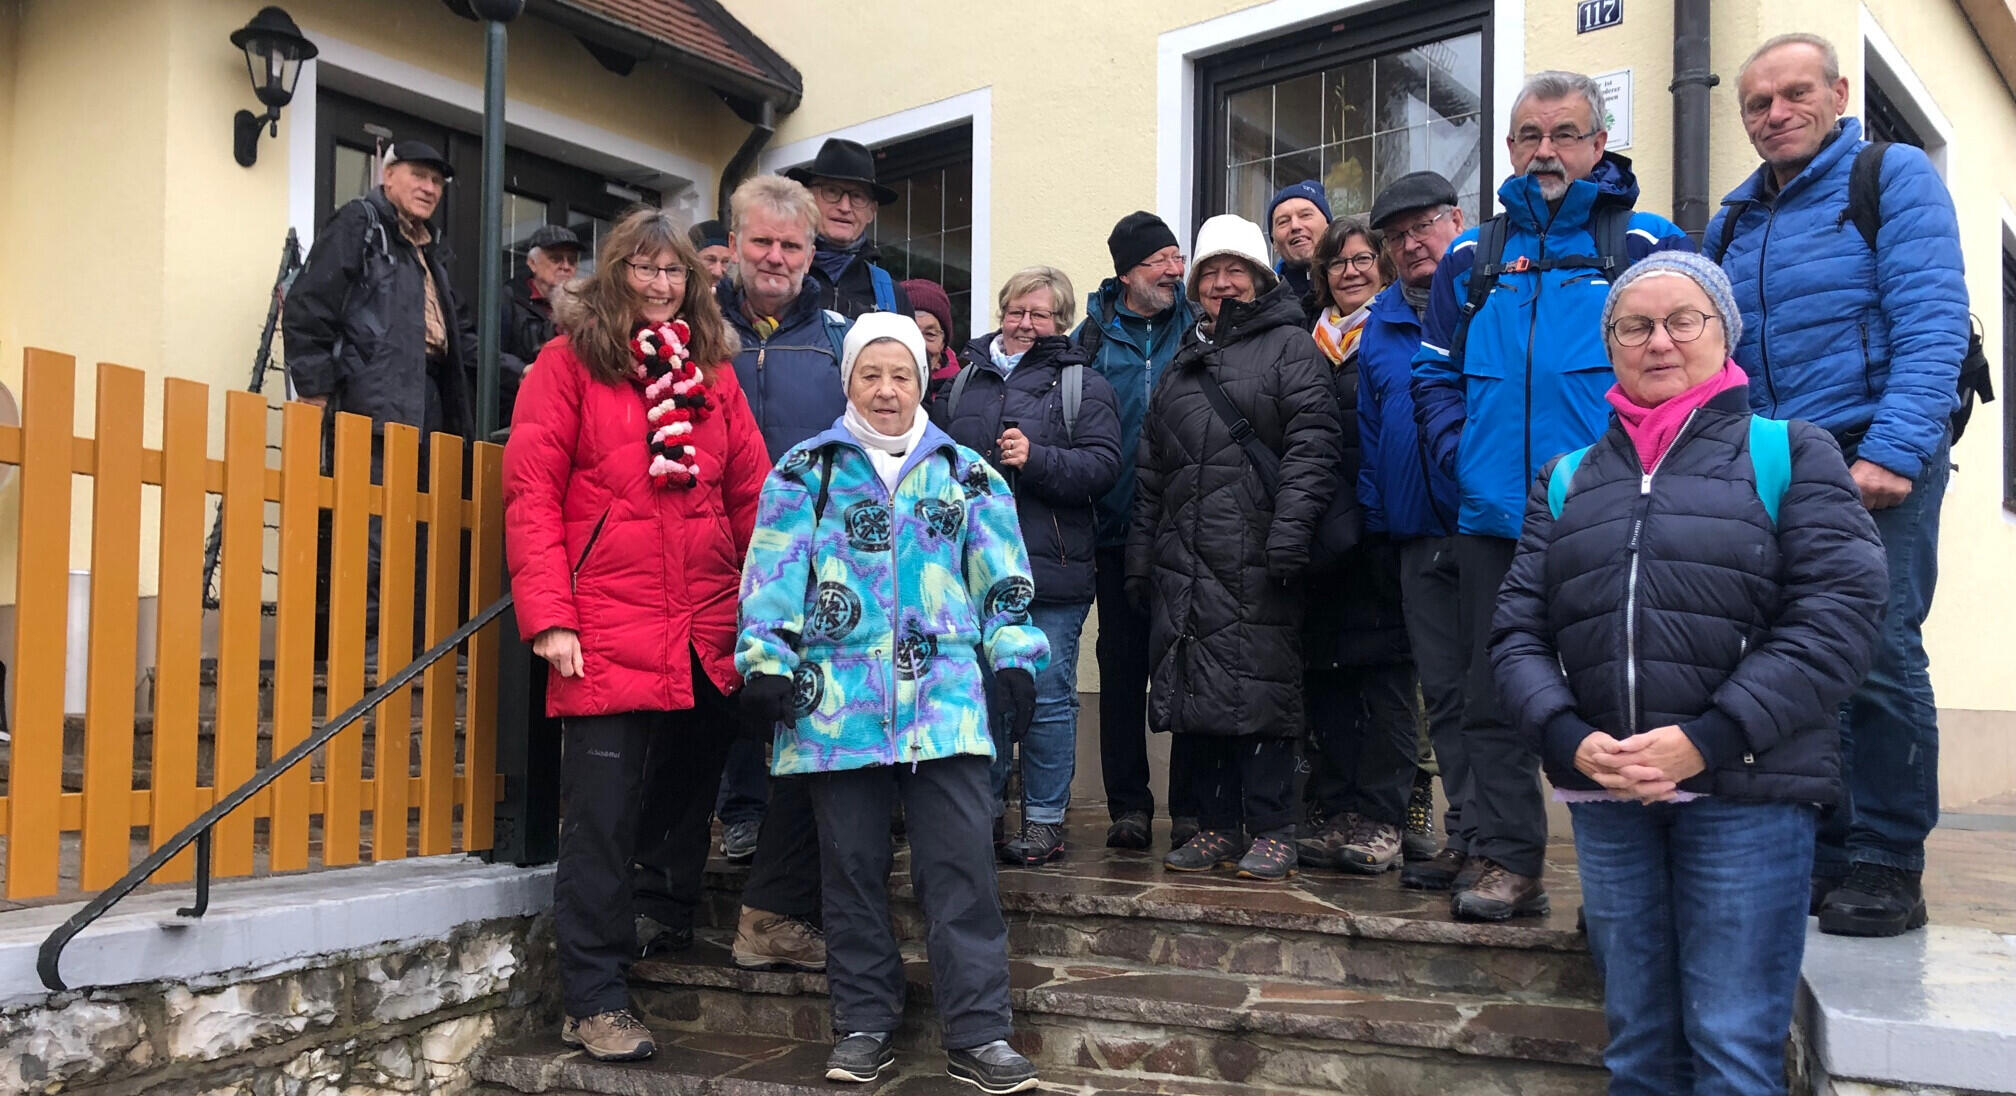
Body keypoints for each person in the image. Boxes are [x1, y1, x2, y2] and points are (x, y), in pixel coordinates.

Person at [1493, 250, 1886, 1095]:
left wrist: (1708, 740)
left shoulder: (1791, 453)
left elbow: (1837, 621)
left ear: (1724, 333)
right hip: (1611, 800)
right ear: (1612, 345)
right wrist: (1569, 738)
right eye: (1635, 326)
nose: (1659, 342)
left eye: (1684, 321)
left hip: (1746, 794)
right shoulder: (1567, 480)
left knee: (1733, 1049)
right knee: (1636, 1049)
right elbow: (1517, 636)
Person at [736, 312, 1046, 1093]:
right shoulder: (806, 470)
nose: (885, 390)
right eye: (870, 375)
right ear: (848, 383)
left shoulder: (969, 473)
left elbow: (1002, 579)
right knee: (850, 871)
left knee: (960, 868)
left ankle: (979, 1033)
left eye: (900, 375)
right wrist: (766, 659)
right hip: (836, 705)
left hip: (944, 704)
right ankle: (865, 1023)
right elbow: (773, 572)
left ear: (921, 383)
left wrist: (1013, 656)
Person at [1705, 32, 1969, 938]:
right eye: (1756, 104)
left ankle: (1890, 857)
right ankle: (1826, 842)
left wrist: (1895, 448)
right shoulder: (1732, 222)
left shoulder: (1890, 176)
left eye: (1792, 94)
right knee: (1796, 656)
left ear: (1838, 92)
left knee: (1879, 651)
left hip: (1875, 448)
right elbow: (1716, 362)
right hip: (1780, 463)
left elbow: (1932, 319)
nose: (1775, 114)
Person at [1411, 71, 1691, 922]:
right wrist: (1464, 458)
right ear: (1508, 149)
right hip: (1494, 515)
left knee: (1627, 689)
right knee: (1491, 689)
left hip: (1614, 512)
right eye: (1529, 135)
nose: (1545, 151)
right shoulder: (1473, 257)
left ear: (1598, 145)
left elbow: (1695, 371)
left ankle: (1641, 872)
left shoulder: (1647, 243)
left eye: (1565, 134)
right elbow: (1433, 375)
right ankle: (1506, 858)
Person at [503, 209, 769, 1063]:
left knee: (689, 789)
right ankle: (594, 995)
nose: (661, 286)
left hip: (705, 617)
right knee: (600, 819)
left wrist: (768, 601)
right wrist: (548, 615)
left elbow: (753, 495)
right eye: (644, 270)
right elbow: (533, 493)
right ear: (614, 274)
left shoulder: (714, 373)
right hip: (607, 617)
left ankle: (667, 914)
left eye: (675, 274)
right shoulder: (566, 364)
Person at [1130, 213, 1342, 883]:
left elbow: (1313, 449)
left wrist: (1289, 538)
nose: (1222, 283)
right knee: (1201, 698)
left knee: (1264, 695)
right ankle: (1218, 825)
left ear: (1258, 278)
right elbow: (1151, 474)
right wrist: (1142, 558)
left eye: (1235, 271)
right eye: (1210, 273)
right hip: (1187, 561)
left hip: (1258, 556)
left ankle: (1275, 827)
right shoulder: (1181, 365)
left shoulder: (1292, 349)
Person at [690, 173, 849, 971]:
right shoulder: (692, 329)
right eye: (762, 241)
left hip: (805, 557)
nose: (776, 257)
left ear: (812, 252)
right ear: (734, 245)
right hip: (704, 551)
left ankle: (772, 880)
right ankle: (726, 824)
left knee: (789, 702)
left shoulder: (837, 338)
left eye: (792, 245)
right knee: (708, 703)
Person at [933, 267, 1123, 866]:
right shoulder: (963, 383)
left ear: (1060, 322)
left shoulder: (1082, 385)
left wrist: (1037, 459)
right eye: (1017, 311)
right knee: (983, 696)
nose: (1025, 324)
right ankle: (982, 817)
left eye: (1040, 315)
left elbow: (1102, 469)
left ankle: (1043, 820)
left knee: (1046, 699)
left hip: (1053, 572)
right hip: (973, 577)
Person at [284, 140, 478, 649]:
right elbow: (309, 306)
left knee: (414, 539)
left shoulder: (427, 252)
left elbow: (462, 338)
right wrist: (316, 392)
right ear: (387, 175)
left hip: (424, 405)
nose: (429, 188)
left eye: (436, 182)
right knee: (367, 535)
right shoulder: (360, 224)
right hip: (370, 404)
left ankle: (400, 657)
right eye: (418, 175)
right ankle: (361, 660)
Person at [1295, 218, 1421, 877]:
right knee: (1331, 684)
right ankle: (1340, 809)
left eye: (1363, 258)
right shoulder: (1306, 344)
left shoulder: (1401, 331)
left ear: (1384, 266)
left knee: (1388, 683)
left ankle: (1383, 817)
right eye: (1338, 263)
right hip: (1324, 540)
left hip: (1386, 531)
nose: (1350, 271)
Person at [1361, 172, 1472, 891]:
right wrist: (1379, 525)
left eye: (1422, 226)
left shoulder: (1485, 294)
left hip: (1485, 525)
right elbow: (1373, 433)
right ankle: (1470, 836)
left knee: (1500, 690)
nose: (1410, 243)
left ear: (1456, 220)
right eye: (1396, 236)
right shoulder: (1381, 320)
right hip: (1413, 535)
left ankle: (1500, 836)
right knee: (1446, 692)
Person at [1074, 211, 1198, 851]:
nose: (1176, 271)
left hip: (1190, 532)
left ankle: (1193, 811)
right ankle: (1128, 806)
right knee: (1120, 670)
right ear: (1127, 271)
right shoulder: (1090, 338)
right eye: (1162, 260)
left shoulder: (1198, 327)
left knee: (1191, 670)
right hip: (1114, 533)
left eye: (1179, 259)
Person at [785, 137, 913, 319]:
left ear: (872, 212)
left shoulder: (892, 296)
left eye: (858, 196)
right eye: (831, 191)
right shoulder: (778, 272)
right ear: (808, 199)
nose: (845, 207)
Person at [500, 223, 582, 422]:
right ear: (532, 263)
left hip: (566, 414)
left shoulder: (583, 309)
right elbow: (486, 352)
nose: (565, 266)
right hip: (515, 414)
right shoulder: (507, 298)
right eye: (556, 258)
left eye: (572, 261)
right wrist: (520, 370)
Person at [1268, 179, 1332, 311]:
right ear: (1274, 243)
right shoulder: (1262, 301)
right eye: (1283, 221)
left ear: (1329, 227)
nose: (1295, 226)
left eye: (1306, 215)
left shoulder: (1355, 286)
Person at [903, 277, 963, 404]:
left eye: (930, 334)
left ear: (943, 344)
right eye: (910, 332)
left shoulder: (963, 394)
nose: (920, 345)